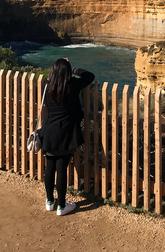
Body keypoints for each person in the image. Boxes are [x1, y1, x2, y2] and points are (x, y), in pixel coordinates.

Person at [40, 57, 95, 216]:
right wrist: (72, 69)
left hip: (49, 132)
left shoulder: (46, 86)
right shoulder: (71, 86)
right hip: (66, 134)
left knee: (49, 167)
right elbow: (89, 76)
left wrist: (59, 70)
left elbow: (51, 79)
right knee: (61, 169)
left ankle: (50, 201)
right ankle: (62, 206)